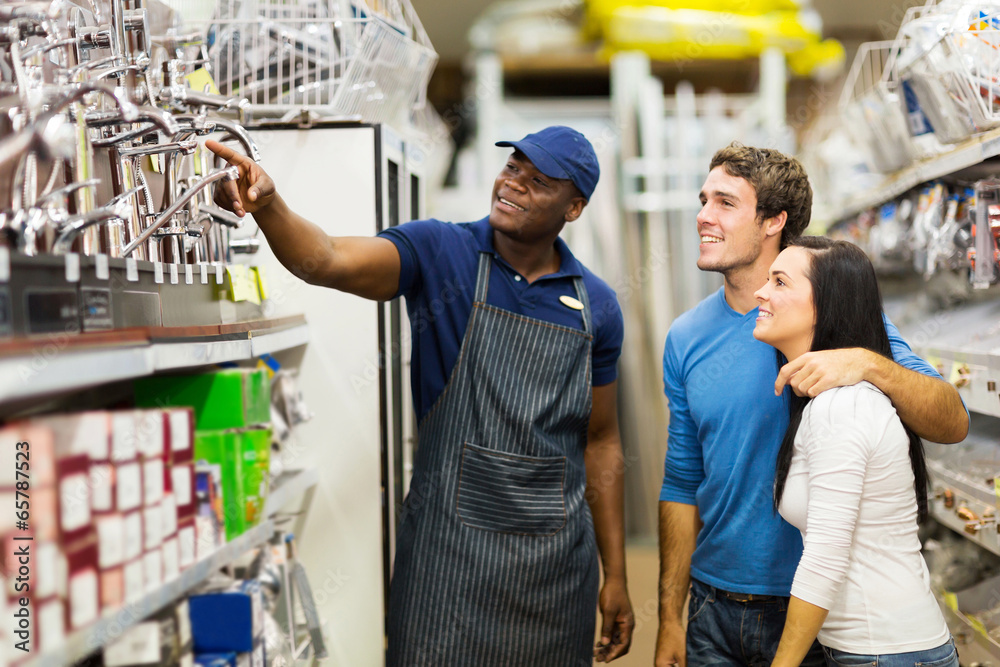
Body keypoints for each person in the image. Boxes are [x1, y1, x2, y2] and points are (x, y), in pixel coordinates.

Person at [205, 125, 634, 666]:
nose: (514, 183)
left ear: (573, 208)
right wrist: (269, 206)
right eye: (512, 168)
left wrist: (615, 574)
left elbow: (600, 440)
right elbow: (328, 259)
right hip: (446, 568)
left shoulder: (595, 305)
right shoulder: (442, 252)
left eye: (538, 181)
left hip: (553, 577)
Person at [654, 143, 968, 667]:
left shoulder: (833, 326)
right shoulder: (685, 338)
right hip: (713, 606)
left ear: (774, 220)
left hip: (812, 611)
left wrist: (869, 365)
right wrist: (668, 617)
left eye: (725, 203)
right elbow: (681, 482)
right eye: (703, 199)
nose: (703, 216)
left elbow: (952, 421)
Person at [755, 236, 956, 667]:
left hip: (885, 650)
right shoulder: (827, 401)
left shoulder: (841, 406)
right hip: (879, 647)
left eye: (779, 282)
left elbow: (825, 559)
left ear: (825, 305)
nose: (761, 291)